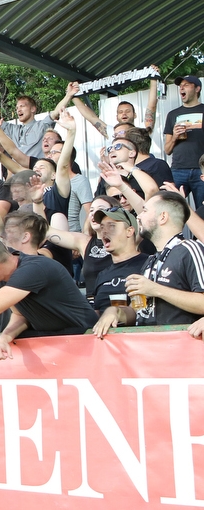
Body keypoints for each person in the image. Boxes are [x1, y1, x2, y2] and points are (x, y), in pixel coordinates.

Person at [125, 191, 204, 326]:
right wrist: (117, 314)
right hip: (148, 342)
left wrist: (156, 289)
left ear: (163, 217)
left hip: (179, 344)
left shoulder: (189, 249)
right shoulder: (151, 259)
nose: (139, 216)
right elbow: (142, 310)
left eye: (145, 211)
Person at [90, 207, 151, 337]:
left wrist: (116, 312)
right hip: (103, 342)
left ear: (129, 231)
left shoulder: (149, 264)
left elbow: (144, 311)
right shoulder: (102, 274)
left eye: (111, 226)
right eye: (101, 227)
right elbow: (96, 313)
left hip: (138, 339)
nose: (104, 231)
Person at [164, 74, 204, 206]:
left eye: (186, 85)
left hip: (201, 170)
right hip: (178, 170)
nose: (182, 88)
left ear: (197, 89)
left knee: (202, 212)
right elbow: (167, 150)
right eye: (180, 86)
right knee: (173, 209)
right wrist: (175, 136)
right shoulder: (173, 114)